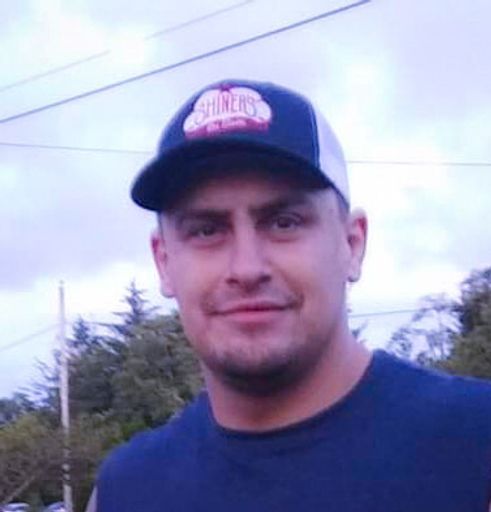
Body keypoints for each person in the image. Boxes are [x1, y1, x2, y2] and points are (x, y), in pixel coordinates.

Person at [89, 79, 491, 511]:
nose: (247, 268)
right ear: (164, 262)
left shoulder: (476, 447)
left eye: (284, 222)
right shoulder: (125, 491)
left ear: (352, 244)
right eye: (206, 231)